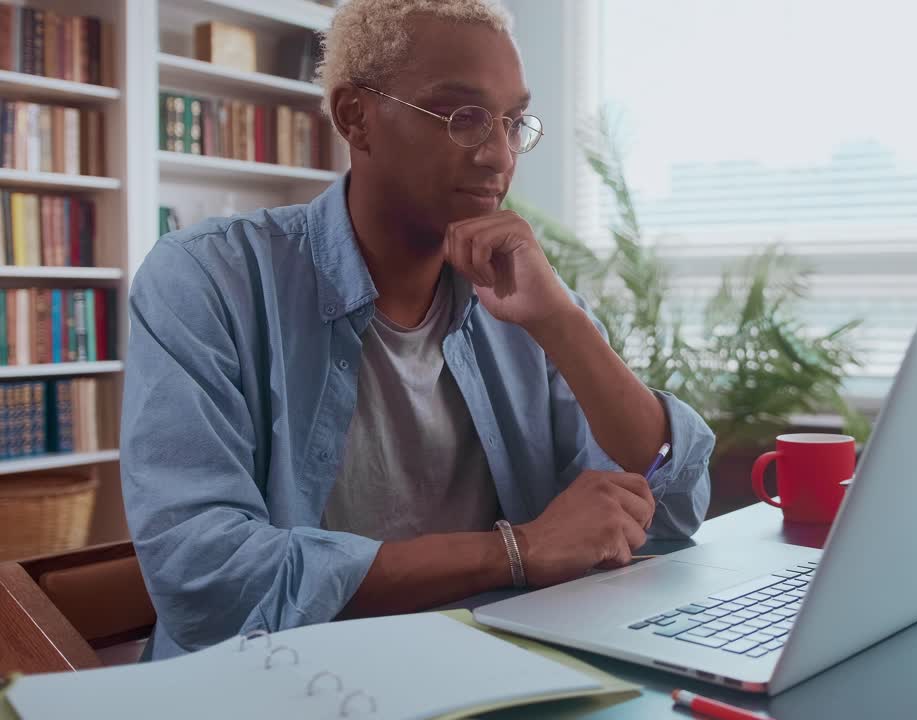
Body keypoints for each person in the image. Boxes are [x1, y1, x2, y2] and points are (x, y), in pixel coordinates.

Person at [121, 0, 714, 660]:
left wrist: (566, 325)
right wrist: (515, 552)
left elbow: (671, 503)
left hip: (486, 671)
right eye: (462, 117)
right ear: (357, 117)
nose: (498, 156)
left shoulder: (526, 299)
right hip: (281, 683)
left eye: (513, 122)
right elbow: (204, 575)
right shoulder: (209, 279)